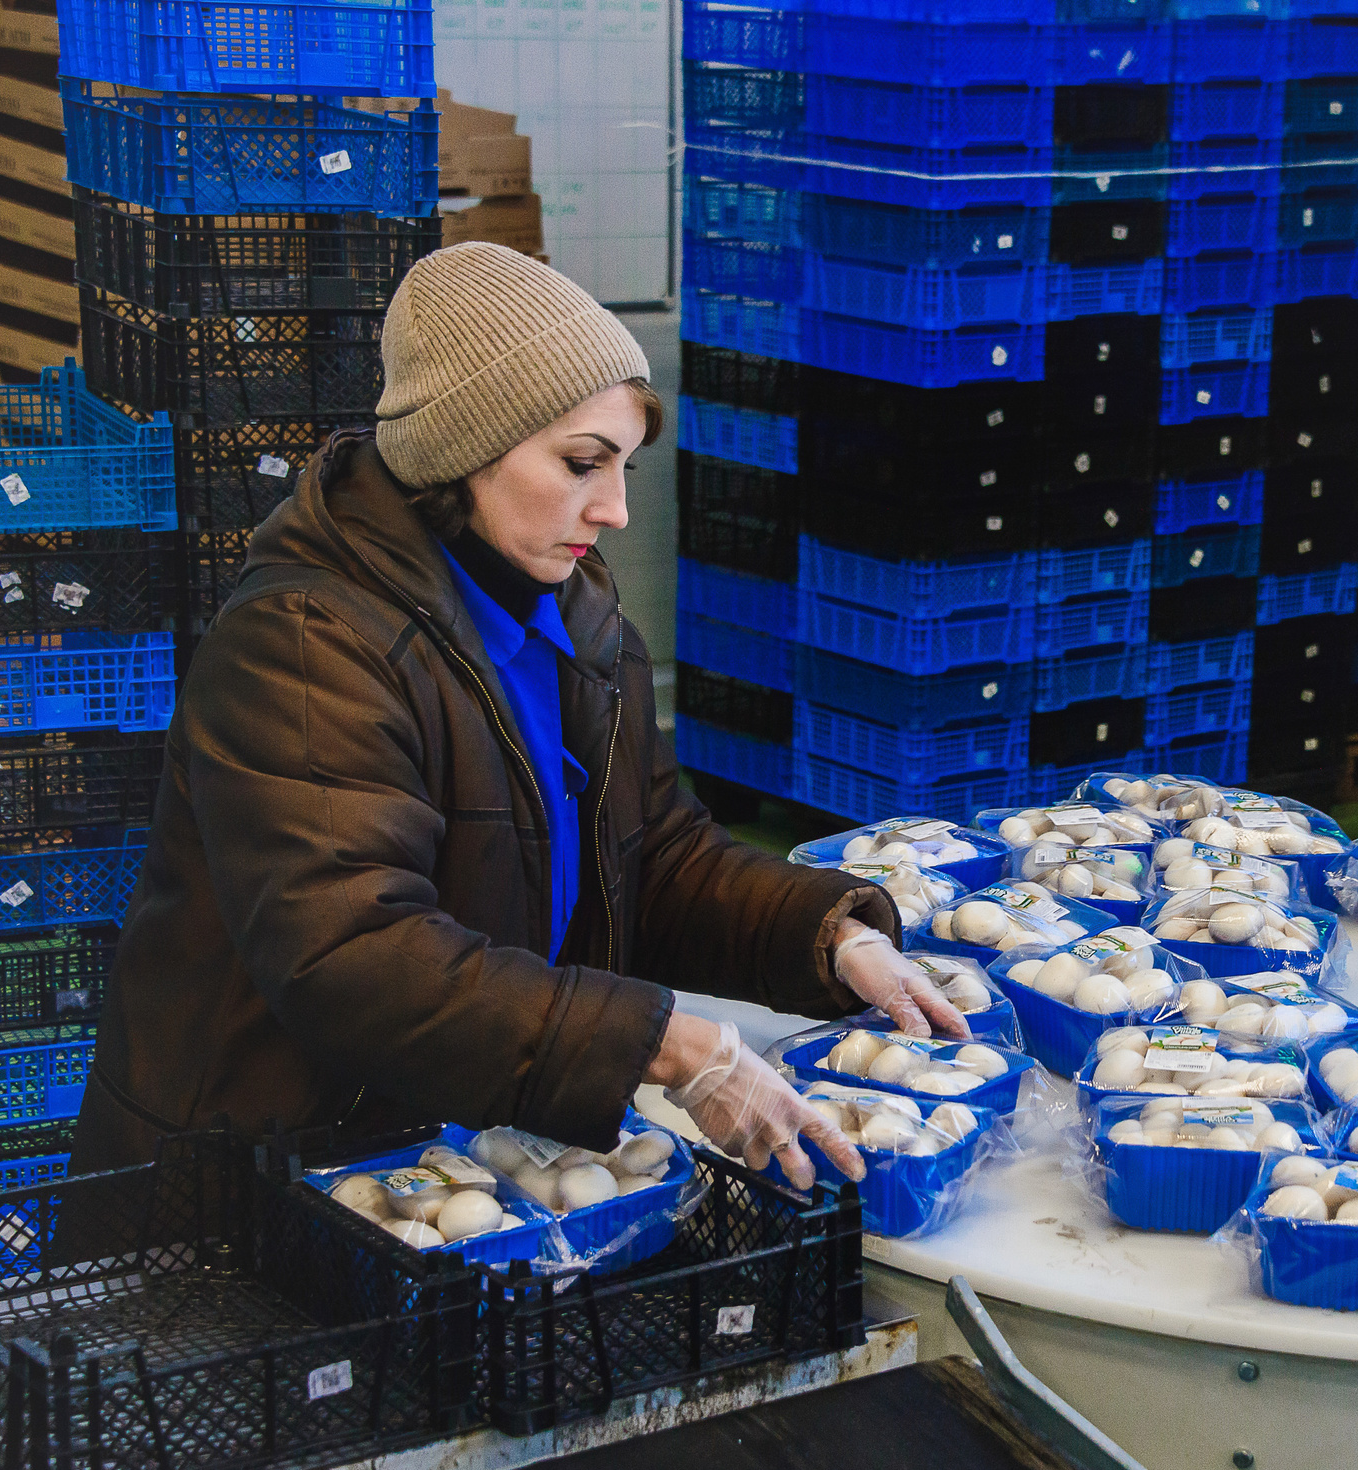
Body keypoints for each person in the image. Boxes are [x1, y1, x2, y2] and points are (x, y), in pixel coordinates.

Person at [75, 242, 965, 1188]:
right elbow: (356, 956)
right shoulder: (304, 647)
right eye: (584, 463)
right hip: (266, 1192)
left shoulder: (570, 611)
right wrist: (666, 1044)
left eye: (622, 465)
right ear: (464, 451)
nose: (617, 508)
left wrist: (830, 936)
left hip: (459, 1157)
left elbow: (653, 856)